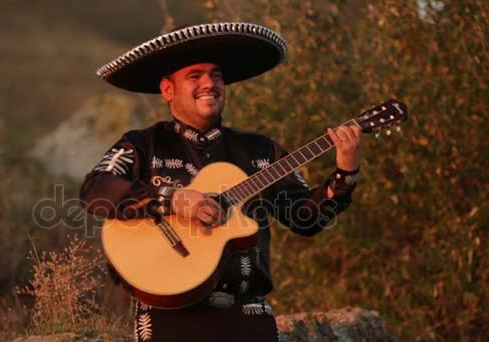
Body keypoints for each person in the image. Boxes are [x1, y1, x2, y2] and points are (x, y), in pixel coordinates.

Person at [80, 22, 361, 342]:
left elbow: (306, 219)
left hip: (248, 316)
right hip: (168, 316)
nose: (209, 83)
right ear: (168, 89)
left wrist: (345, 174)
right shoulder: (142, 145)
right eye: (194, 76)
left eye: (215, 75)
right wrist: (173, 199)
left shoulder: (262, 151)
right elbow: (95, 189)